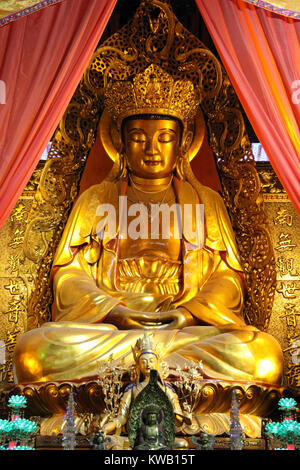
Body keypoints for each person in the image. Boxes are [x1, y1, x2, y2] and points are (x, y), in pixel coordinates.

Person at [14, 65, 283, 387]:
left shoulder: (206, 201)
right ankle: (170, 375)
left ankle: (135, 373)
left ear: (182, 144)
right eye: (138, 138)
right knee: (33, 352)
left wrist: (188, 313)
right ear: (122, 144)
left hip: (186, 329)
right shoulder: (97, 199)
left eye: (165, 139)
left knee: (264, 356)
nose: (152, 149)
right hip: (112, 329)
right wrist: (114, 311)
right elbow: (70, 274)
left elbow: (228, 277)